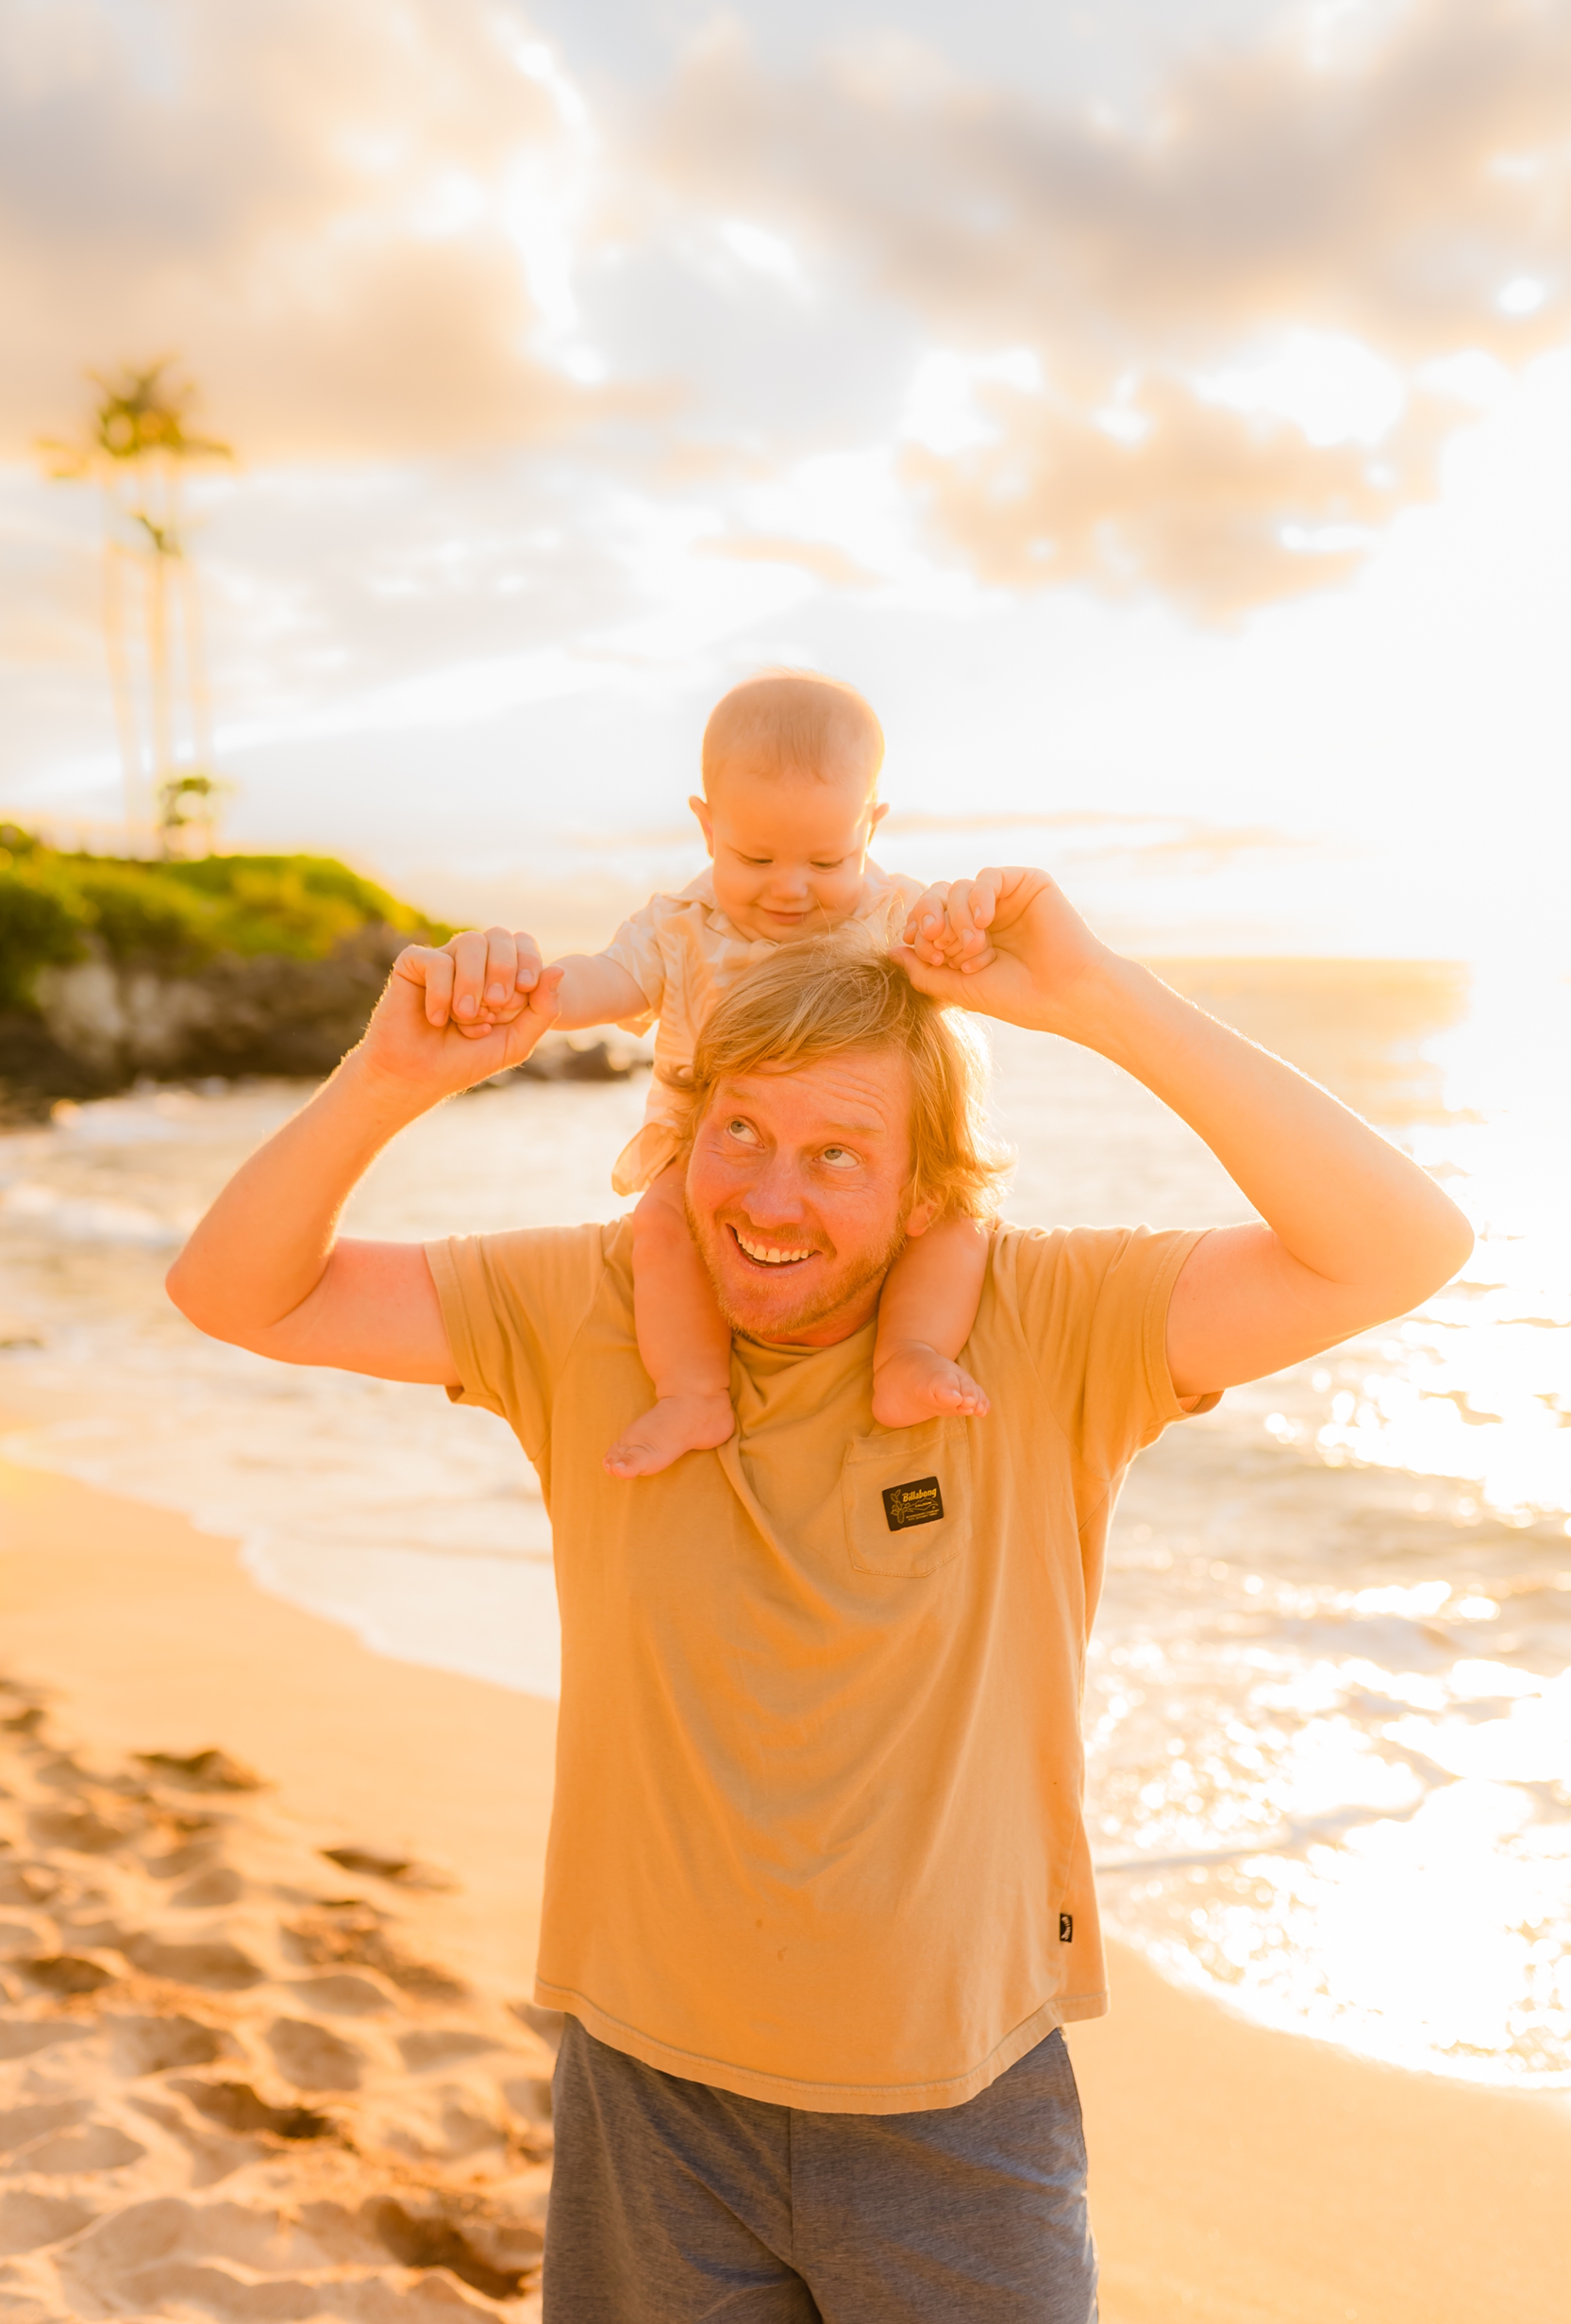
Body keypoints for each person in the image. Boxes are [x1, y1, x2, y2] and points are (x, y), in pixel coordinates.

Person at [165, 867, 1472, 2323]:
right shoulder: (588, 1309)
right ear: (684, 1135)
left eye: (838, 1154)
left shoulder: (1040, 1325)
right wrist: (387, 1078)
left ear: (927, 1187)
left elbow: (1399, 1246)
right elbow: (237, 1292)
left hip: (958, 2106)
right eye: (740, 1132)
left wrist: (1101, 1000)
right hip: (650, 2097)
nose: (769, 1199)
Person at [478, 669, 995, 1480]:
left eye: (829, 859)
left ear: (872, 825)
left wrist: (965, 935)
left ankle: (909, 1354)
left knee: (956, 1222)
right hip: (718, 1152)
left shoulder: (896, 914)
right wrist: (532, 996)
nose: (790, 889)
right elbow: (611, 976)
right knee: (661, 1227)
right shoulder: (684, 928)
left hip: (869, 1153)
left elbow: (964, 961)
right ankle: (691, 1390)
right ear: (707, 825)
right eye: (754, 856)